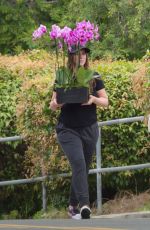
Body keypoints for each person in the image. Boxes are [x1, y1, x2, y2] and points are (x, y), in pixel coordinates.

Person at [49, 46, 108, 219]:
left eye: (84, 53)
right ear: (70, 56)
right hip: (67, 129)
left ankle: (72, 206)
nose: (82, 56)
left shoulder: (94, 75)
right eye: (78, 53)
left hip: (89, 128)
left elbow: (106, 101)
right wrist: (56, 104)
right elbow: (52, 103)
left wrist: (93, 99)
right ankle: (84, 205)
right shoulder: (62, 75)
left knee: (82, 168)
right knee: (79, 164)